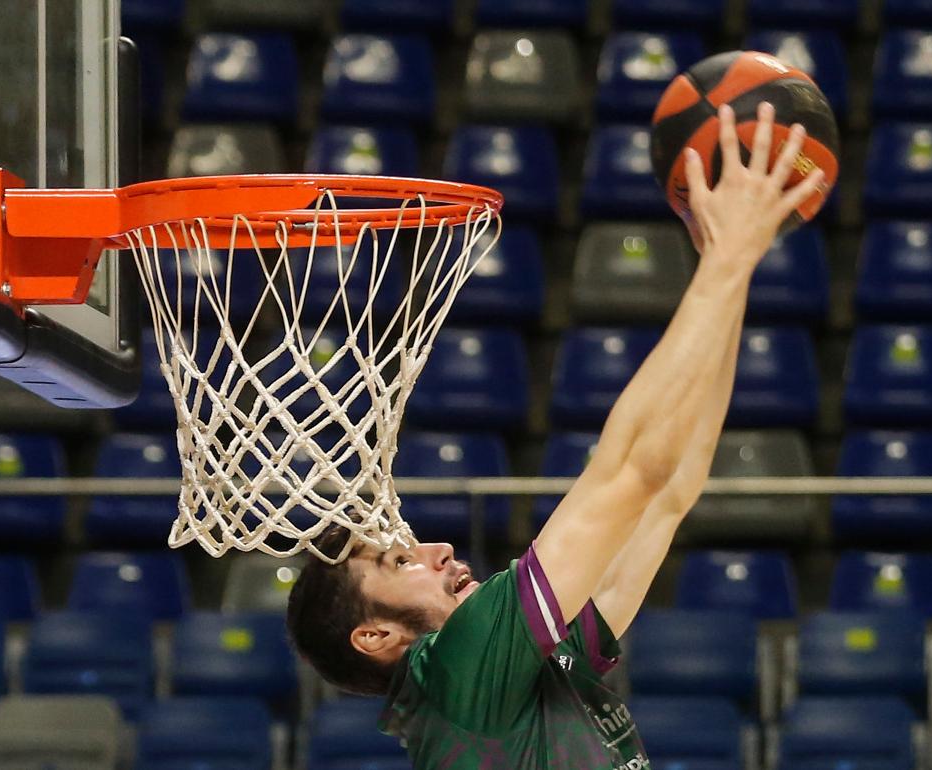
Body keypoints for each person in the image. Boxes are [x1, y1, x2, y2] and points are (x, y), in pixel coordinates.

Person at [286, 102, 827, 770]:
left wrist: (731, 266)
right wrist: (730, 257)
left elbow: (669, 491)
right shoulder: (454, 671)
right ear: (377, 635)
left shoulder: (515, 675)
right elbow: (632, 474)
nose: (438, 549)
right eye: (399, 564)